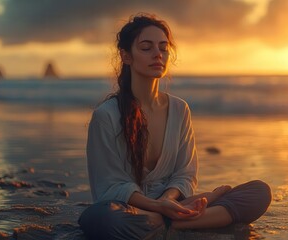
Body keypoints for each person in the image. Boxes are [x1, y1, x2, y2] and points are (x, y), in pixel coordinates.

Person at [78, 13, 271, 240]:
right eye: (146, 47)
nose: (158, 54)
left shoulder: (180, 110)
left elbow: (185, 174)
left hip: (172, 204)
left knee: (259, 192)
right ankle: (182, 222)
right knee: (99, 219)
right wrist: (157, 207)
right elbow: (110, 186)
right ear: (126, 56)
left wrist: (168, 200)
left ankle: (167, 224)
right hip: (131, 209)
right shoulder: (106, 116)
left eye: (163, 47)